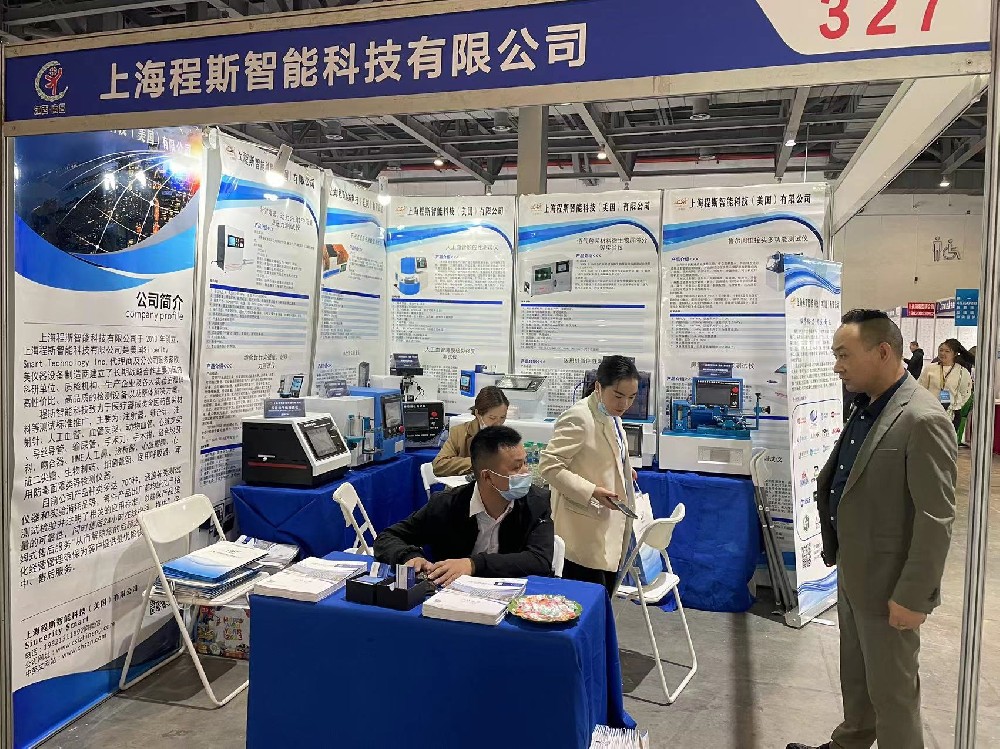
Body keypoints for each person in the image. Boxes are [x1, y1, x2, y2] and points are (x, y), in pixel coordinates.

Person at [787, 309, 957, 749]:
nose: (836, 366)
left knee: (893, 694)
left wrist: (913, 596)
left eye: (844, 355)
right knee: (858, 678)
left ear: (883, 352)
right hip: (854, 570)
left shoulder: (922, 418)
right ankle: (850, 742)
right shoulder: (867, 407)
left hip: (890, 585)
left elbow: (936, 517)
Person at [374, 425, 553, 586]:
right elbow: (387, 537)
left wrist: (473, 564)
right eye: (516, 467)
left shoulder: (537, 502)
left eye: (525, 463)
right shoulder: (446, 505)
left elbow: (540, 560)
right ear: (487, 476)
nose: (525, 472)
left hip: (515, 597)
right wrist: (410, 556)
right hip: (451, 598)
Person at [539, 355, 639, 595]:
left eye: (632, 397)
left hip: (606, 525)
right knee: (584, 600)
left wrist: (622, 469)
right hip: (580, 531)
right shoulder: (579, 417)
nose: (625, 404)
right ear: (598, 387)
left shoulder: (611, 415)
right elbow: (549, 466)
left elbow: (601, 453)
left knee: (603, 596)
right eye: (618, 395)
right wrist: (591, 491)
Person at [431, 385, 509, 477]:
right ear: (478, 414)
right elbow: (439, 465)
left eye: (502, 417)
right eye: (492, 418)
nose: (498, 424)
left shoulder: (506, 436)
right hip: (465, 484)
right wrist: (477, 462)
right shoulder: (459, 432)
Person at [917, 338, 973, 435]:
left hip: (952, 414)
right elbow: (921, 388)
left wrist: (955, 405)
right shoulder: (930, 368)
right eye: (941, 350)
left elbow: (966, 393)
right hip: (931, 411)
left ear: (955, 354)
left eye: (947, 351)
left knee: (947, 441)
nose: (943, 353)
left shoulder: (962, 371)